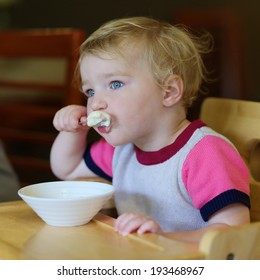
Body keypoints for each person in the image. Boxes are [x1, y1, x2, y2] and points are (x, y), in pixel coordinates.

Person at [50, 17, 250, 242]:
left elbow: (234, 233)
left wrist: (164, 237)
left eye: (115, 84)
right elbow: (67, 169)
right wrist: (73, 131)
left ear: (168, 92)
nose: (96, 103)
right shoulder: (123, 150)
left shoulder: (204, 152)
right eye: (90, 92)